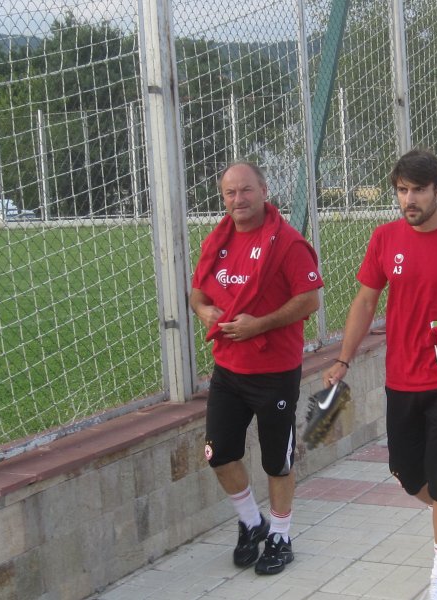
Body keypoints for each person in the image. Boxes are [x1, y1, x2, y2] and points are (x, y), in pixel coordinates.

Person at [323, 149, 437, 600]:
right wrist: (343, 359)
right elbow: (366, 301)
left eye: (418, 191)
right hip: (401, 379)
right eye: (402, 190)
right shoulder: (385, 238)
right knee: (408, 474)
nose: (409, 200)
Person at [190, 161, 323, 575]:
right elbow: (196, 291)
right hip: (228, 371)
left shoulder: (287, 243)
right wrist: (205, 311)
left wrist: (259, 324)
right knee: (218, 454)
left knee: (276, 461)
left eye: (245, 191)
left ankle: (281, 535)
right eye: (230, 193)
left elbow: (310, 299)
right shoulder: (219, 238)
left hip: (274, 372)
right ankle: (252, 522)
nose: (238, 200)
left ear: (264, 190)